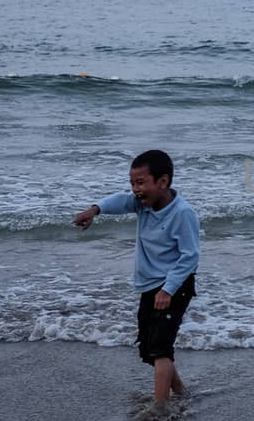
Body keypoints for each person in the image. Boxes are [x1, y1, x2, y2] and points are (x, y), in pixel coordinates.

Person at [73, 150, 200, 401]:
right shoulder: (143, 204)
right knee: (150, 349)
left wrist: (168, 290)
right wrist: (94, 210)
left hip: (174, 286)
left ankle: (161, 406)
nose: (135, 189)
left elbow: (190, 257)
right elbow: (120, 201)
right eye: (132, 183)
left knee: (161, 349)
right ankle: (181, 393)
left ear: (162, 182)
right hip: (150, 286)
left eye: (140, 183)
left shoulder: (182, 214)